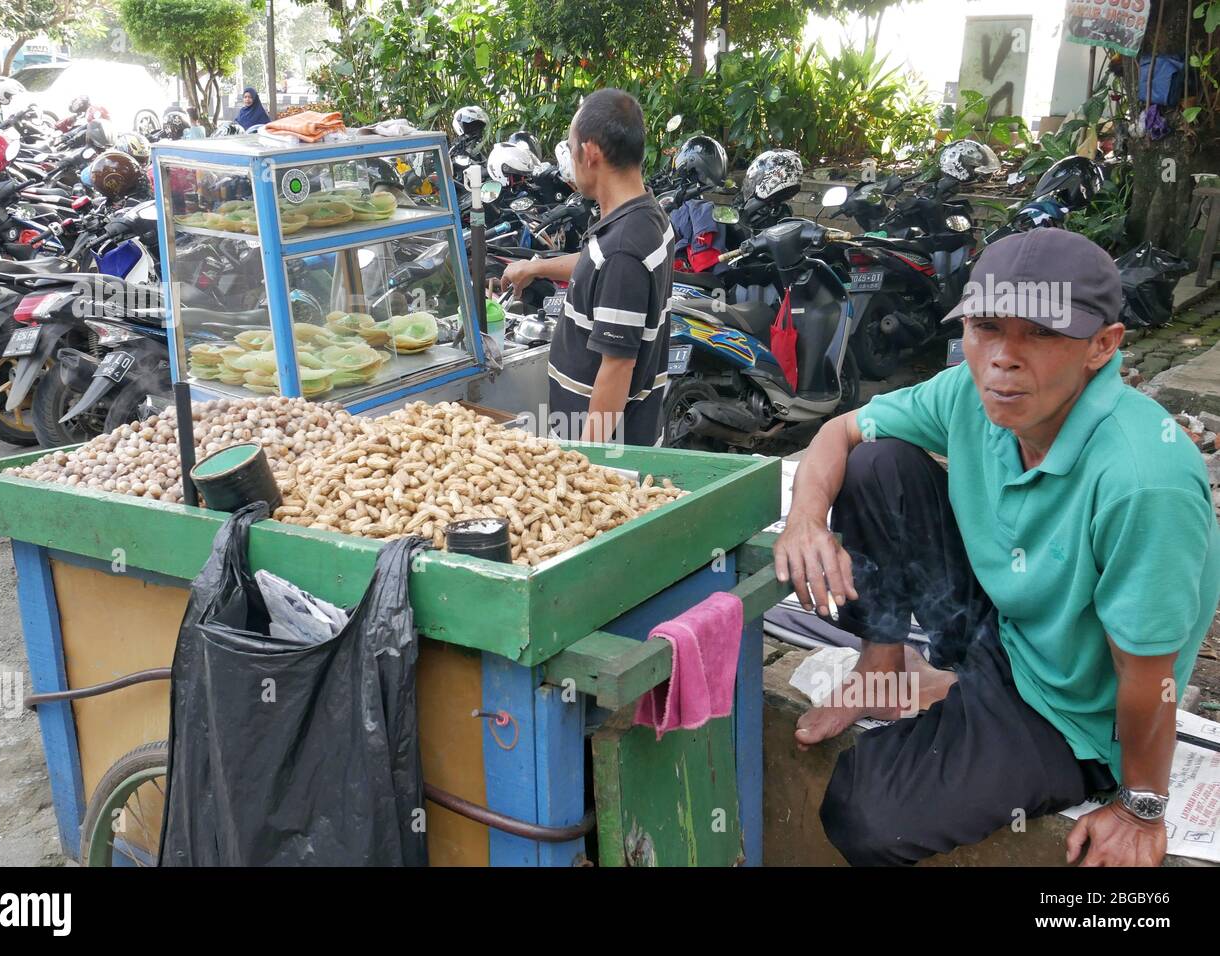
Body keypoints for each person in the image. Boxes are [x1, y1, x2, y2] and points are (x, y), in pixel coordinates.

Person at [773, 227, 1220, 867]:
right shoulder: (972, 392)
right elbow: (839, 432)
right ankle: (882, 671)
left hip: (1071, 709)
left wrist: (1141, 807)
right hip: (998, 628)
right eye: (986, 327)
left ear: (1102, 346)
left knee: (864, 814)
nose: (1003, 358)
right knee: (876, 464)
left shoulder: (1141, 481)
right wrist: (806, 520)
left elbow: (1148, 679)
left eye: (1041, 333)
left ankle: (981, 713)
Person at [500, 88, 674, 446]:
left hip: (612, 452)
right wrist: (535, 267)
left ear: (590, 153)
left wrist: (585, 460)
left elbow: (617, 368)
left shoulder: (624, 250)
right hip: (621, 436)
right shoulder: (644, 215)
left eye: (570, 145)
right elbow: (595, 266)